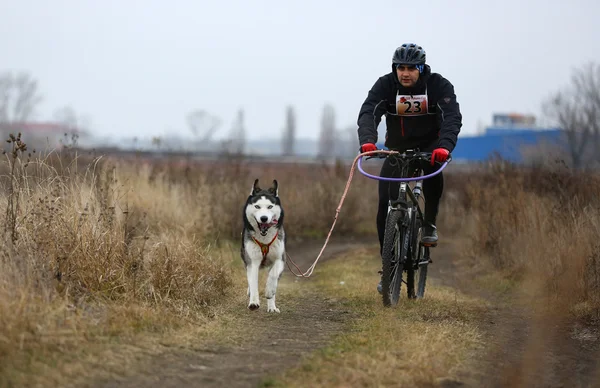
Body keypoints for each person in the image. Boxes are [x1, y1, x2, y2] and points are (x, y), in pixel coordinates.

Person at [356, 43, 462, 267]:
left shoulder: (438, 86)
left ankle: (429, 224)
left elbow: (451, 117)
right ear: (395, 68)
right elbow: (369, 112)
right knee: (385, 203)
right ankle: (389, 265)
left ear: (422, 69)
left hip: (431, 147)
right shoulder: (385, 85)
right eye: (401, 68)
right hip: (397, 148)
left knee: (433, 174)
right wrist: (367, 141)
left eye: (412, 68)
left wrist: (444, 147)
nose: (405, 73)